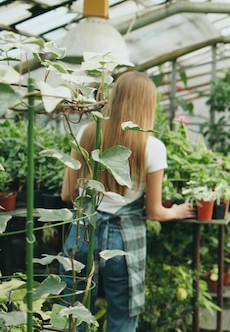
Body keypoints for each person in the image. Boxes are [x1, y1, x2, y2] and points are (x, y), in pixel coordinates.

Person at [60, 71, 195, 331]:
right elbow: (155, 212)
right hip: (122, 240)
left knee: (73, 314)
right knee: (122, 317)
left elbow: (68, 195)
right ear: (147, 104)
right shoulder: (151, 146)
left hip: (82, 233)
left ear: (115, 96)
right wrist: (176, 211)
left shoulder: (86, 132)